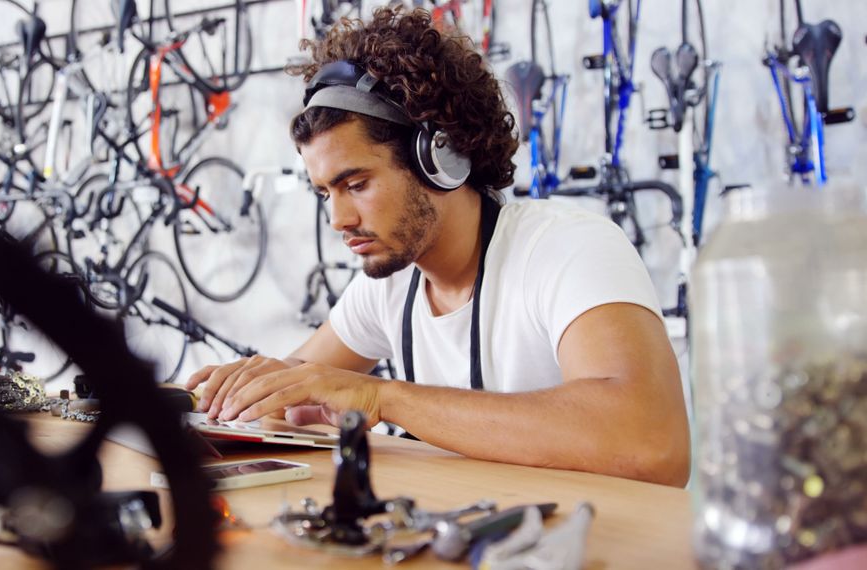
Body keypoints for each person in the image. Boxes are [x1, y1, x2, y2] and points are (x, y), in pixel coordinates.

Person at [187, 7, 690, 486]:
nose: (339, 219)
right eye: (326, 193)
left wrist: (382, 397)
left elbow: (652, 444)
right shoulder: (392, 286)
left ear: (440, 156)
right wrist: (227, 397)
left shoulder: (566, 248)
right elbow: (297, 386)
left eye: (357, 184)